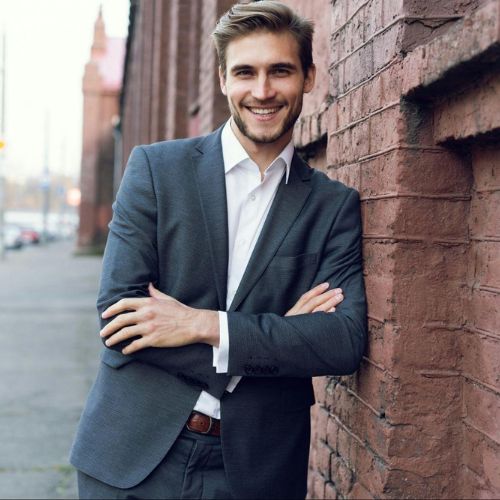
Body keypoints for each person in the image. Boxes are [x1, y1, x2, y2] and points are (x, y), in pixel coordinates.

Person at [70, 1, 367, 498]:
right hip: (131, 457)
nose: (263, 90)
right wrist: (281, 338)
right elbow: (118, 318)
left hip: (257, 470)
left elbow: (341, 341)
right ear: (224, 80)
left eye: (281, 71)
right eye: (245, 72)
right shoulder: (156, 172)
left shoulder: (332, 206)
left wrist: (202, 325)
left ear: (309, 77)